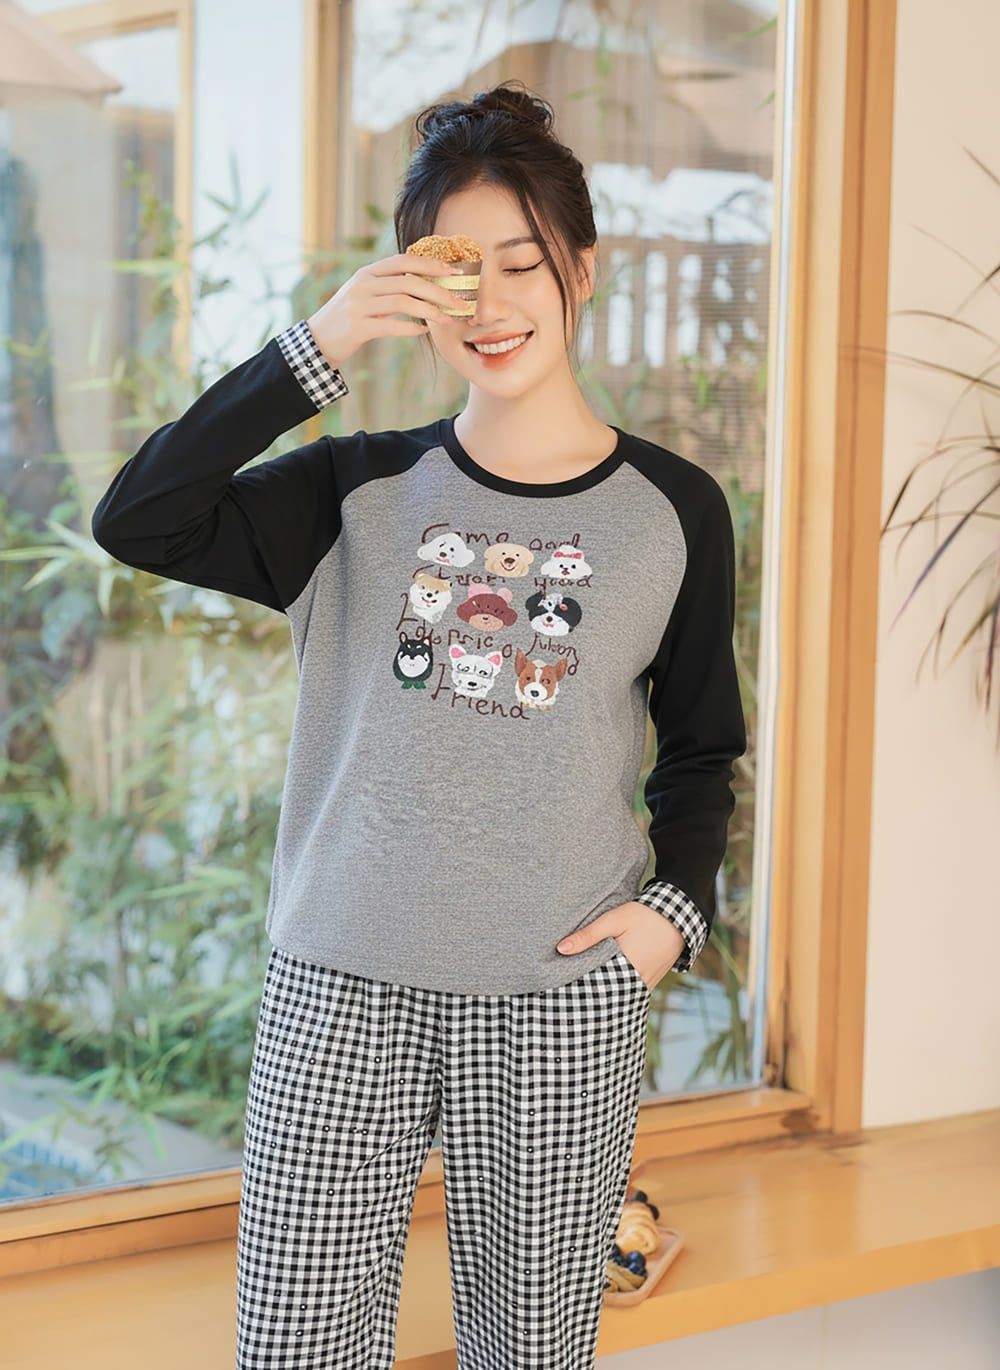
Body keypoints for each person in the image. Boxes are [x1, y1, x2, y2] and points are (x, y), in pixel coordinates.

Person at [91, 80, 746, 1370]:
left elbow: (702, 747)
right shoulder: (357, 488)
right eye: (460, 272)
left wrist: (670, 917)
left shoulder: (674, 510)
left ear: (584, 270)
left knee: (530, 1351)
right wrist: (318, 345)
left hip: (556, 999)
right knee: (297, 1348)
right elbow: (140, 517)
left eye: (524, 263)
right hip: (339, 986)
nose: (491, 305)